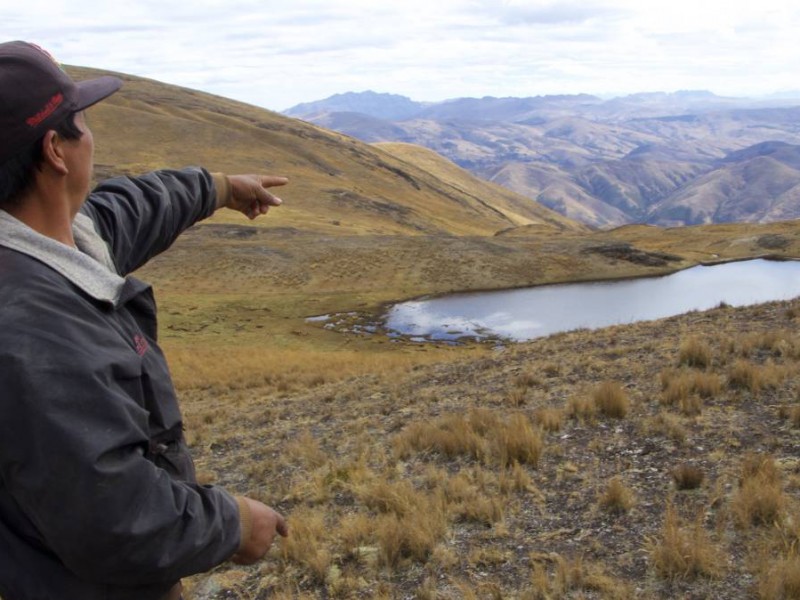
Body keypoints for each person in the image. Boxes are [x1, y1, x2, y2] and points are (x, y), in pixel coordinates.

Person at [0, 41, 289, 600]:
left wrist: (221, 188)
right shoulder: (31, 331)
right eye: (81, 120)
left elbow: (132, 207)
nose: (92, 135)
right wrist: (233, 525)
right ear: (56, 150)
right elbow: (111, 514)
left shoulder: (56, 238)